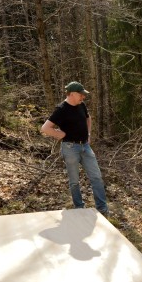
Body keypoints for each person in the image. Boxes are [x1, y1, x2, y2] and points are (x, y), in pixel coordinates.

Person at [40, 81, 109, 215]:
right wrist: (60, 134)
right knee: (74, 181)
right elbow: (45, 128)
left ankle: (102, 210)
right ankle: (79, 209)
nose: (83, 97)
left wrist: (88, 134)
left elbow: (88, 119)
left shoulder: (81, 105)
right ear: (72, 94)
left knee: (96, 177)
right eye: (81, 94)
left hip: (86, 147)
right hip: (70, 148)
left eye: (83, 95)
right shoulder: (61, 109)